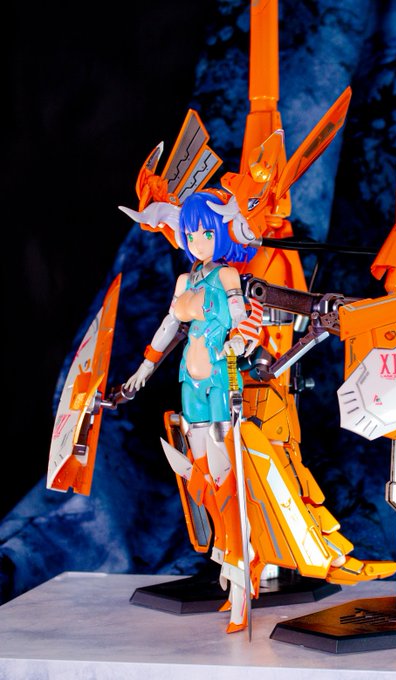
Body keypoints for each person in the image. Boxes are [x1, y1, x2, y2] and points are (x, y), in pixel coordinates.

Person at [125, 189, 258, 631]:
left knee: (226, 481)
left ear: (221, 232)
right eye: (192, 234)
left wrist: (243, 341)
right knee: (201, 481)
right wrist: (145, 367)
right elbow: (169, 327)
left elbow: (244, 318)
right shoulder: (185, 282)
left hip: (222, 380)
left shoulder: (228, 276)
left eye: (207, 233)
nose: (199, 241)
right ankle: (229, 565)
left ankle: (242, 582)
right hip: (191, 384)